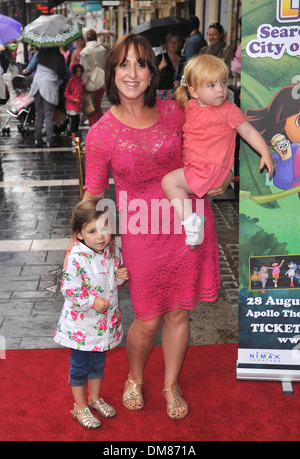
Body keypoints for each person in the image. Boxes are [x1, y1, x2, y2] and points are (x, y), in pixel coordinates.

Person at [63, 33, 235, 421]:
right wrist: (73, 242)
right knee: (148, 316)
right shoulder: (102, 133)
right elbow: (94, 194)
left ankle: (170, 384)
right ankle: (135, 378)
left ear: (151, 71)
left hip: (188, 222)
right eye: (124, 64)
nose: (133, 72)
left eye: (141, 63)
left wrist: (222, 175)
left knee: (179, 314)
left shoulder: (176, 111)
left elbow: (215, 132)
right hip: (142, 233)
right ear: (111, 72)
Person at [161, 55, 274, 248]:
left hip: (209, 170)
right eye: (212, 85)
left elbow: (248, 132)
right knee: (173, 183)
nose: (221, 89)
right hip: (201, 169)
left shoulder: (228, 110)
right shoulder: (190, 107)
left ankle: (191, 223)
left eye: (223, 82)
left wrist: (265, 152)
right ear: (194, 91)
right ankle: (192, 223)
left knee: (168, 182)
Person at [54, 199, 129, 429]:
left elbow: (110, 281)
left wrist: (120, 277)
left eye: (105, 228)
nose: (100, 236)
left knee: (98, 364)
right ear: (79, 235)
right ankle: (79, 407)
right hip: (82, 327)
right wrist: (91, 301)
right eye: (92, 230)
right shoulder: (76, 258)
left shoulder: (112, 252)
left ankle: (95, 399)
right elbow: (69, 291)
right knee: (80, 366)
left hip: (104, 324)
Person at [29, 47, 65, 147]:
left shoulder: (40, 54)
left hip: (37, 84)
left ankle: (37, 139)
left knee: (39, 113)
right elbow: (62, 73)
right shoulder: (59, 57)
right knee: (49, 114)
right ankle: (50, 140)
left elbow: (31, 66)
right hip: (49, 86)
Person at [80, 29, 107, 126]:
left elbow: (85, 71)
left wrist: (83, 83)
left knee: (90, 109)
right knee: (98, 106)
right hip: (101, 82)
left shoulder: (85, 52)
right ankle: (101, 127)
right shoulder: (103, 50)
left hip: (89, 84)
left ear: (86, 38)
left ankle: (94, 130)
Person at [156, 32, 186, 100]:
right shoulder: (160, 58)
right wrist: (160, 67)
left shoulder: (183, 60)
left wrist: (181, 83)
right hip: (161, 95)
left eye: (175, 41)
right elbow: (150, 77)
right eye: (170, 41)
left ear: (179, 43)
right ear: (166, 44)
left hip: (178, 95)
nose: (173, 44)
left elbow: (188, 77)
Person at [64, 63, 84, 141]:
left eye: (80, 71)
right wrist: (73, 99)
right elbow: (66, 93)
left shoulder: (81, 81)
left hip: (78, 106)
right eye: (77, 71)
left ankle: (76, 138)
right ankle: (74, 139)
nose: (79, 73)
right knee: (74, 123)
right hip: (72, 106)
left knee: (77, 122)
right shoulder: (71, 81)